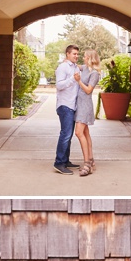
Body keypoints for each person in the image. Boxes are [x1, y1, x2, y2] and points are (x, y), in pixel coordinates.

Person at [53, 44, 82, 174]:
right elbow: (59, 85)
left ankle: (65, 161)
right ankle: (59, 163)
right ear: (67, 54)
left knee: (68, 135)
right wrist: (72, 79)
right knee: (65, 135)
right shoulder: (63, 67)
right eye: (74, 54)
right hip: (65, 105)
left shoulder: (76, 67)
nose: (76, 56)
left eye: (77, 54)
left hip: (72, 105)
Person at [75, 49, 101, 176]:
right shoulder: (84, 68)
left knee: (79, 132)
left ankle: (87, 163)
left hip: (85, 105)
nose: (83, 58)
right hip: (78, 104)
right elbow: (77, 65)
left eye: (85, 56)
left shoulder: (95, 73)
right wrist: (67, 60)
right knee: (85, 133)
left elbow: (88, 90)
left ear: (90, 58)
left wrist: (78, 81)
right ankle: (91, 160)